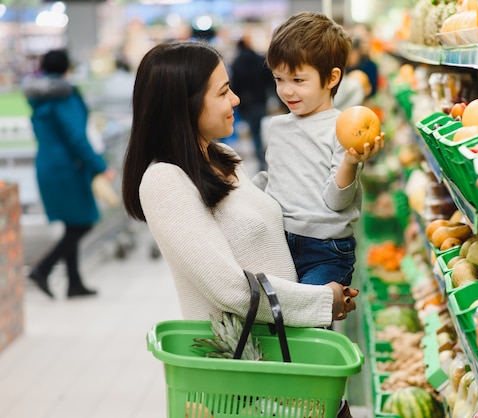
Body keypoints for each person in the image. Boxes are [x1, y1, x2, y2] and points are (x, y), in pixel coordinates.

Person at [121, 41, 358, 329]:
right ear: (186, 103)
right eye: (223, 92)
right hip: (245, 360)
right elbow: (229, 289)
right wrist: (320, 301)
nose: (235, 99)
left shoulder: (225, 159)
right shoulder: (165, 180)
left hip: (284, 344)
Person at [253, 12, 385, 287]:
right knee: (278, 323)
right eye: (279, 79)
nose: (287, 91)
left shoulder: (343, 128)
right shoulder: (277, 127)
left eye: (298, 80)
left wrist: (350, 162)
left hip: (325, 252)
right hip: (279, 242)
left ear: (332, 77)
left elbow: (336, 202)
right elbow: (275, 184)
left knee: (307, 323)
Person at [22, 49, 114, 299]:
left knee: (72, 223)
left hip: (47, 165)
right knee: (83, 222)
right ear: (66, 68)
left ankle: (74, 283)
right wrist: (99, 166)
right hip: (68, 168)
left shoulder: (37, 98)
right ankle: (43, 268)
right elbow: (76, 137)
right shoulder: (64, 97)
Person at [229, 35, 275, 171]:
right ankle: (267, 158)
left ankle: (261, 160)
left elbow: (235, 86)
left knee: (255, 133)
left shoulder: (237, 63)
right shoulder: (259, 59)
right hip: (261, 100)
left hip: (247, 104)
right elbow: (269, 80)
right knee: (262, 130)